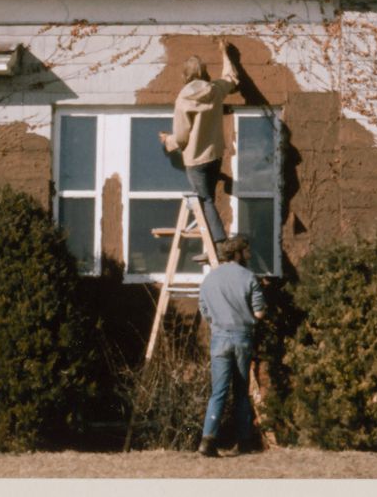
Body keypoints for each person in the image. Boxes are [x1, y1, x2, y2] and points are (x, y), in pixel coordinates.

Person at [159, 38, 238, 247]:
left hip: (196, 161)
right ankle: (211, 247)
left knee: (205, 202)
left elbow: (182, 137)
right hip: (215, 157)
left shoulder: (183, 99)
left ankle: (220, 245)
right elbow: (231, 78)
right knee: (208, 199)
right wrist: (225, 53)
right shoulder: (215, 90)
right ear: (203, 73)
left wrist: (168, 141)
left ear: (185, 75)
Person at [197, 234, 265, 457]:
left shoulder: (209, 280)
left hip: (219, 338)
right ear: (237, 253)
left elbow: (205, 311)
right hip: (242, 337)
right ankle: (244, 442)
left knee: (218, 392)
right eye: (246, 251)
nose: (248, 255)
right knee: (241, 392)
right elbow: (259, 312)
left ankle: (207, 441)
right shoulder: (249, 277)